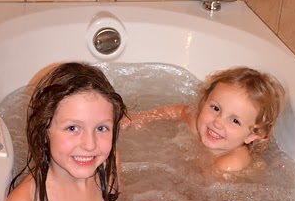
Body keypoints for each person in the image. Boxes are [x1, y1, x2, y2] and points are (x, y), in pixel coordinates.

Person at [6, 62, 127, 201]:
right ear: (44, 130)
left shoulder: (110, 162)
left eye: (101, 128)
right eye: (72, 128)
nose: (90, 145)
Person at [121, 66, 285, 173]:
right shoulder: (199, 125)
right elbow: (180, 111)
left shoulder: (230, 164)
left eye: (234, 121)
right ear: (204, 101)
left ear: (252, 135)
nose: (218, 122)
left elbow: (206, 195)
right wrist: (141, 118)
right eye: (215, 108)